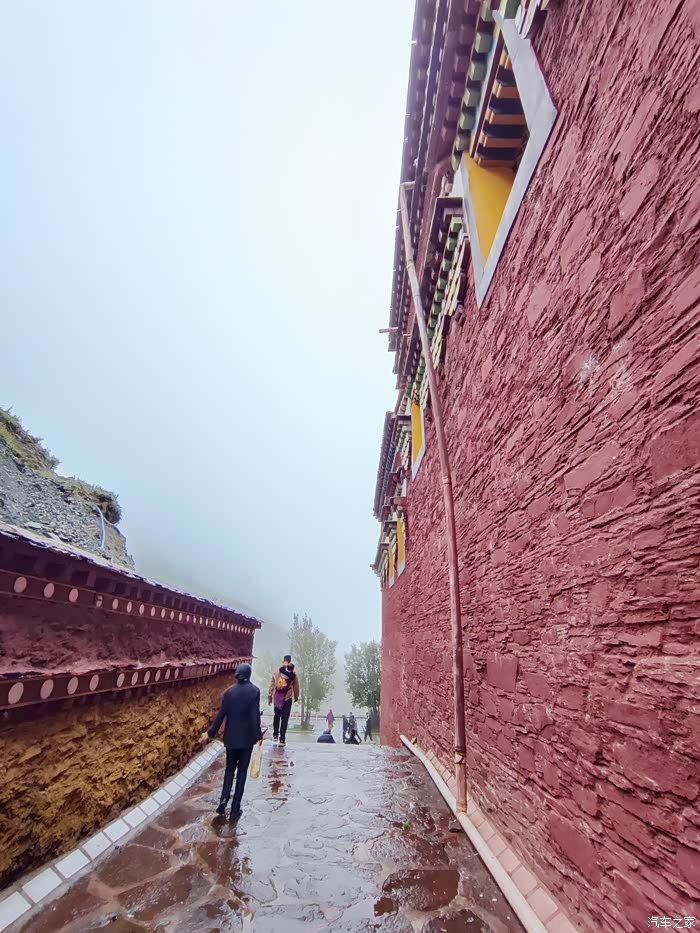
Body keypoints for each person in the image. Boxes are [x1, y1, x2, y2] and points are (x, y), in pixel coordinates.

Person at [202, 662, 262, 820]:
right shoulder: (254, 691)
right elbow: (254, 717)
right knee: (241, 773)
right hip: (246, 740)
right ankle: (235, 808)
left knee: (229, 770)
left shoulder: (229, 692)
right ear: (249, 675)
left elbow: (220, 716)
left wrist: (210, 733)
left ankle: (223, 800)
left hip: (230, 739)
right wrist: (258, 736)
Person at [268, 654, 299, 746]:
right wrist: (296, 696)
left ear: (283, 661)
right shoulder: (293, 672)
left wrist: (270, 696)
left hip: (277, 697)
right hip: (287, 698)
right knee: (285, 718)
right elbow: (296, 685)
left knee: (276, 716)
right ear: (290, 661)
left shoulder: (276, 671)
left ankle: (275, 735)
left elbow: (272, 684)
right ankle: (282, 738)